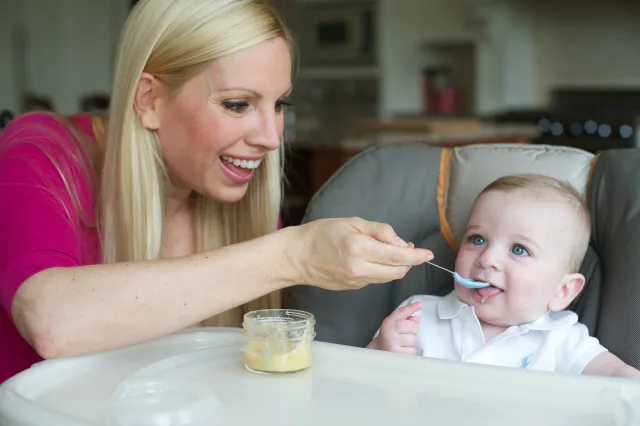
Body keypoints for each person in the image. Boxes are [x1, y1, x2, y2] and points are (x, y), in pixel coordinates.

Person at [0, 0, 433, 383]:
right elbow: (52, 320)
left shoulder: (240, 199)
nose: (270, 136)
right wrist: (292, 255)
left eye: (280, 104)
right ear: (149, 100)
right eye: (237, 104)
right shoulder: (41, 155)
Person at [367, 174, 640, 380]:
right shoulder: (418, 316)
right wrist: (381, 349)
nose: (487, 259)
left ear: (562, 292)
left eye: (519, 249)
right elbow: (356, 379)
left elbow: (619, 379)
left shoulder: (562, 340)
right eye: (477, 239)